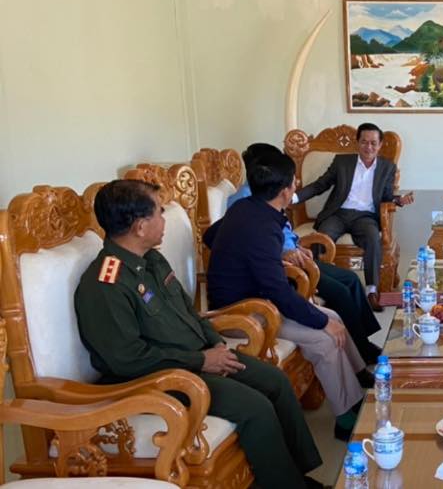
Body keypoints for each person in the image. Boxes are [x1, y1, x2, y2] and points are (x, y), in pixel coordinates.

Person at [74, 179, 323, 489]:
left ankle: (298, 476)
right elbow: (127, 359)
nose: (164, 219)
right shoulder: (105, 285)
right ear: (140, 226)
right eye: (159, 212)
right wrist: (201, 361)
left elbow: (189, 313)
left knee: (275, 381)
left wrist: (216, 343)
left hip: (197, 357)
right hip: (157, 377)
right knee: (255, 407)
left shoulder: (152, 259)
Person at [204, 150, 369, 441]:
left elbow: (210, 236)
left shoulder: (247, 207)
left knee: (333, 316)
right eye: (294, 181)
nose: (297, 185)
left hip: (259, 300)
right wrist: (320, 322)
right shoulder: (262, 226)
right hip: (242, 312)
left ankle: (357, 382)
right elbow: (278, 292)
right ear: (284, 191)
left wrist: (255, 256)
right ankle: (345, 419)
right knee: (324, 336)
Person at [228, 143, 381, 363]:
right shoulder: (245, 201)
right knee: (340, 292)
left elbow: (280, 231)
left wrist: (296, 247)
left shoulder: (267, 193)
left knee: (350, 279)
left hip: (295, 254)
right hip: (286, 266)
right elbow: (249, 243)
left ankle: (362, 340)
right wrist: (284, 253)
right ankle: (362, 349)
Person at [296, 123, 414, 311]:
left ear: (380, 145)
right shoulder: (342, 162)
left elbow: (386, 195)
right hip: (338, 214)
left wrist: (398, 200)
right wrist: (294, 197)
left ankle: (371, 292)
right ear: (357, 143)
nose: (369, 147)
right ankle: (322, 288)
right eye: (364, 142)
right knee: (322, 237)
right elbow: (321, 185)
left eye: (373, 143)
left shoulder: (387, 167)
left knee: (373, 238)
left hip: (365, 217)